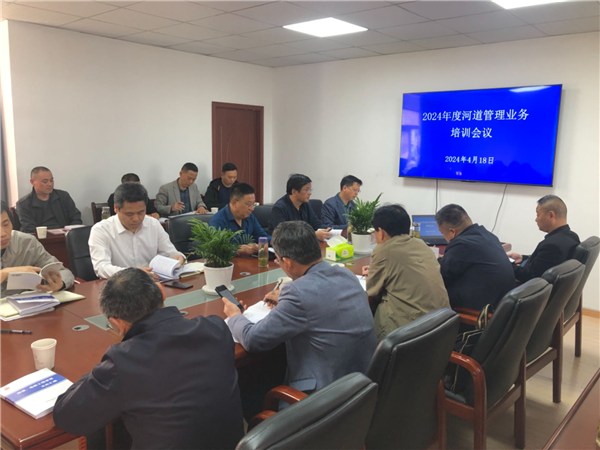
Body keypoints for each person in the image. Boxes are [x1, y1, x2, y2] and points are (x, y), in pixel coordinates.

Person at [53, 268, 244, 450]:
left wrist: (104, 370)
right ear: (162, 292)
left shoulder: (123, 362)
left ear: (115, 322)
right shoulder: (216, 328)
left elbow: (66, 416)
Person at [223, 221, 376, 393]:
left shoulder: (297, 293)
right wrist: (285, 300)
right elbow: (319, 301)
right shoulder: (346, 274)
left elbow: (253, 339)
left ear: (287, 262)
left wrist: (235, 315)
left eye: (278, 260)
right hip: (363, 385)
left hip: (326, 396)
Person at [362, 205, 449, 340]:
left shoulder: (384, 250)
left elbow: (371, 291)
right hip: (441, 325)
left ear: (381, 232)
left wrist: (374, 272)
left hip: (410, 332)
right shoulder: (421, 244)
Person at [89, 182, 184, 279]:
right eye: (129, 214)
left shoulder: (153, 224)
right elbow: (101, 268)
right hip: (120, 284)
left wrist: (177, 257)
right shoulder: (101, 230)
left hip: (153, 282)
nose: (136, 219)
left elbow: (169, 252)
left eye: (141, 212)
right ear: (116, 208)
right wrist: (134, 273)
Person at [436, 204, 515, 310]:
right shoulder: (488, 235)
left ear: (452, 232)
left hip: (481, 311)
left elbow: (441, 277)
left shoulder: (461, 245)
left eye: (442, 233)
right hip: (500, 304)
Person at [0, 201, 74, 293]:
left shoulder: (27, 242)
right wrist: (5, 273)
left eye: (5, 224)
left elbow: (63, 272)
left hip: (23, 301)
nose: (2, 233)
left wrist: (60, 283)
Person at [508, 195, 580, 283]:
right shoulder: (572, 236)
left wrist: (506, 264)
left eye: (538, 215)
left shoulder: (552, 246)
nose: (536, 219)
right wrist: (522, 258)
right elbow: (544, 262)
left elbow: (529, 277)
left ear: (551, 215)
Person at [209, 183, 270, 256]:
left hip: (250, 261)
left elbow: (263, 237)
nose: (252, 208)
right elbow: (214, 249)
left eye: (253, 204)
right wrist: (236, 250)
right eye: (248, 204)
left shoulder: (250, 217)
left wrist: (260, 245)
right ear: (235, 203)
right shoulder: (217, 221)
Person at [16, 166, 82, 233]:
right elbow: (29, 228)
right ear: (32, 182)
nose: (50, 184)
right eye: (45, 182)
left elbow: (76, 218)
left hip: (65, 236)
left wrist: (71, 233)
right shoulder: (23, 204)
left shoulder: (63, 196)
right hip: (40, 238)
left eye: (51, 180)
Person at [270, 174, 331, 241]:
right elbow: (284, 236)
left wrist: (327, 230)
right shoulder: (279, 208)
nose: (310, 193)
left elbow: (316, 224)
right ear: (294, 192)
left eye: (310, 190)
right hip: (287, 245)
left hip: (304, 244)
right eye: (306, 190)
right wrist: (313, 235)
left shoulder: (305, 204)